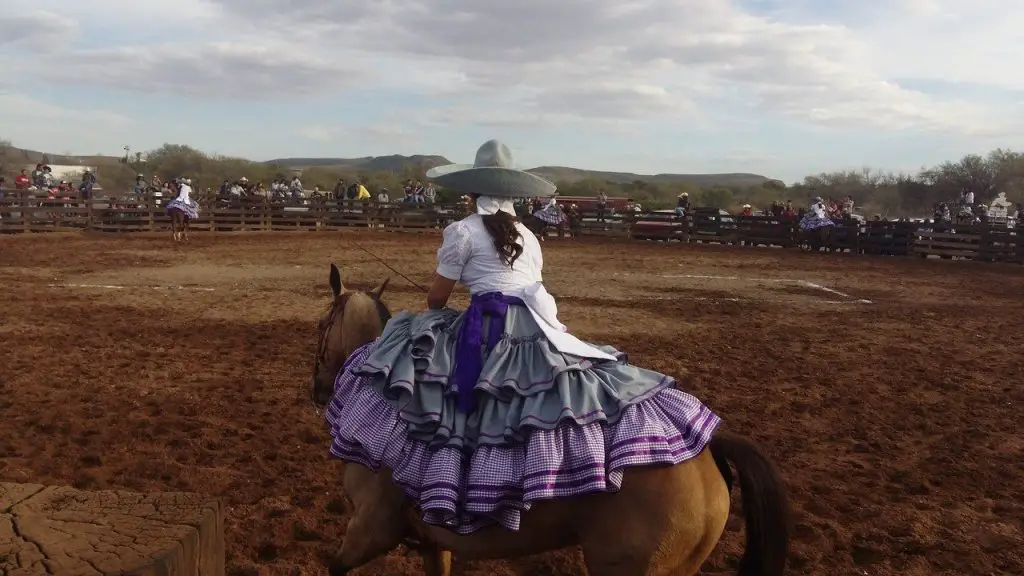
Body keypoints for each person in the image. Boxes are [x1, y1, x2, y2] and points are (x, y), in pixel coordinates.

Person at [326, 139, 720, 534]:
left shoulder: (462, 231)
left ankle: (446, 485)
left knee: (421, 368)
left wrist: (451, 304)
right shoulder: (529, 236)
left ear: (472, 190)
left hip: (487, 323)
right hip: (533, 322)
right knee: (538, 393)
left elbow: (436, 298)